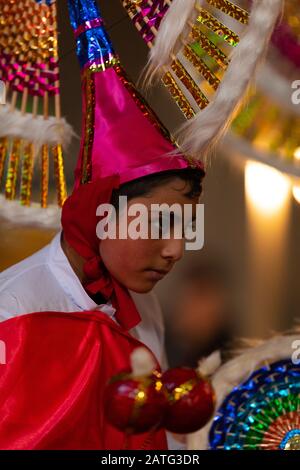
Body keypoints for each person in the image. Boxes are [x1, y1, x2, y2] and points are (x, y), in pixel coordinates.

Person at [0, 0, 204, 450]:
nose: (176, 250)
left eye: (186, 227)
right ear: (100, 216)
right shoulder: (11, 311)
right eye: (159, 224)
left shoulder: (143, 310)